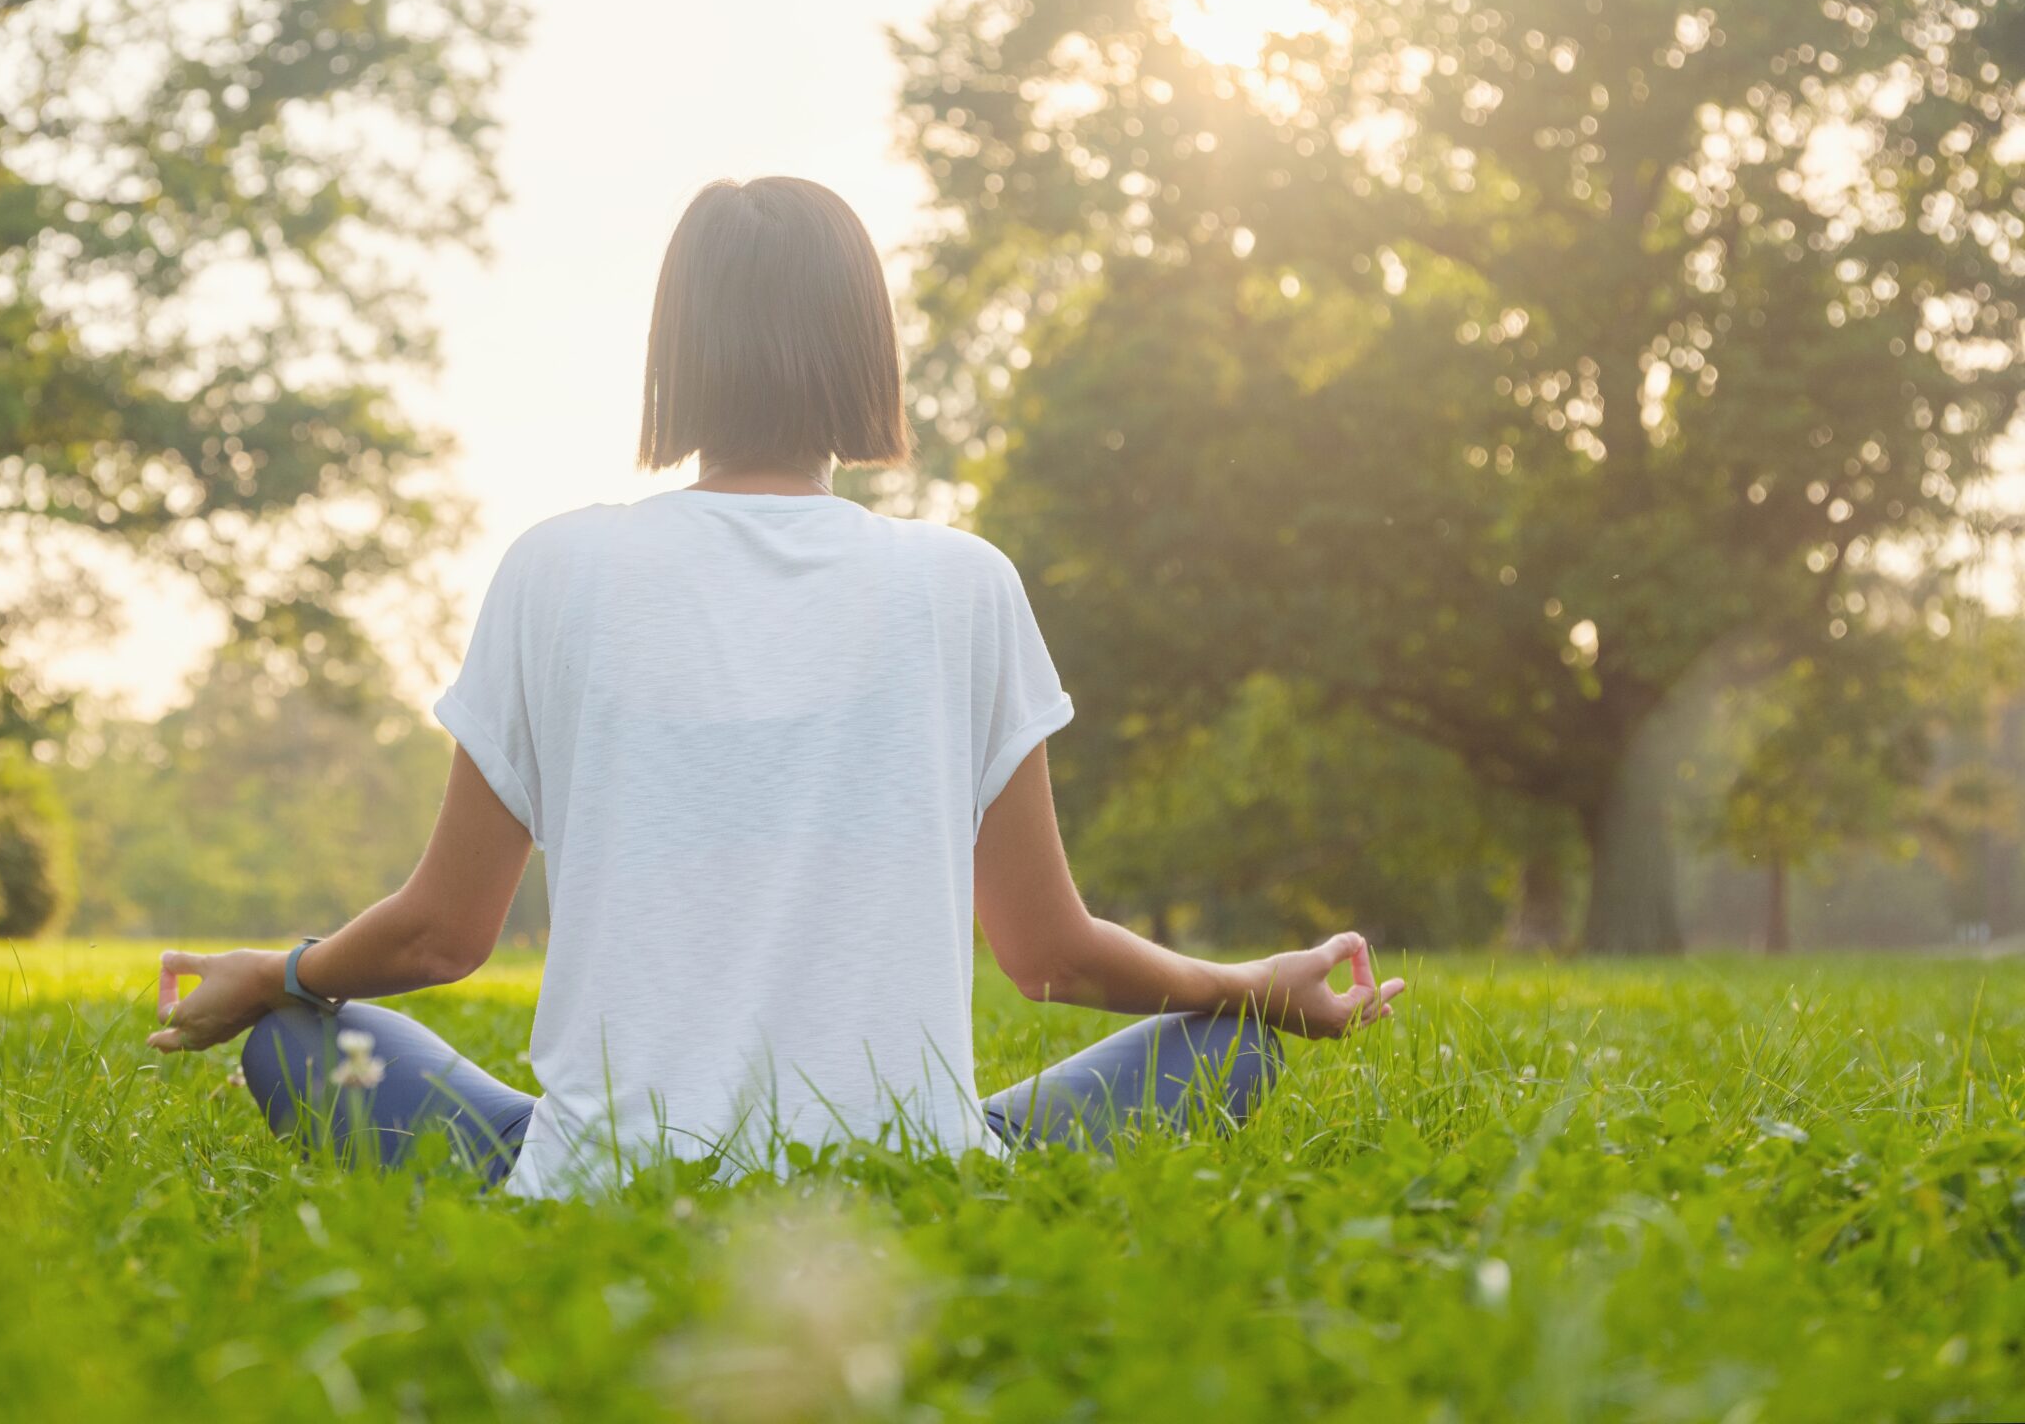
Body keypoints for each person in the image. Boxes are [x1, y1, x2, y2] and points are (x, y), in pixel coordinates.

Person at [147, 176, 1404, 1197]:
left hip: (605, 1177)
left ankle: (578, 1153)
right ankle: (953, 1156)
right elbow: (1050, 957)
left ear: (674, 355)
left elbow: (439, 934)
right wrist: (1254, 990)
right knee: (1224, 1053)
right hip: (908, 1173)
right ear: (868, 350)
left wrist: (282, 973)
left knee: (298, 1043)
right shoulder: (962, 584)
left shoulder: (557, 567)